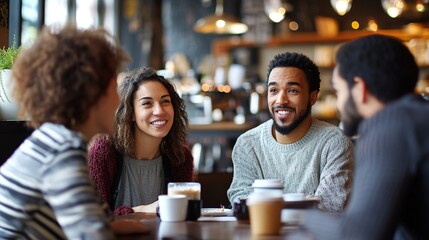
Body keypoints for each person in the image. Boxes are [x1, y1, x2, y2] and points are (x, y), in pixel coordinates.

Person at [0, 25, 148, 239]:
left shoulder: (53, 139)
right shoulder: (63, 148)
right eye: (114, 87)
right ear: (93, 94)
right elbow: (90, 235)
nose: (121, 101)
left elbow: (93, 216)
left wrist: (113, 226)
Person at [300, 34, 429, 239]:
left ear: (360, 89)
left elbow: (357, 234)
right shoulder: (418, 115)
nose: (339, 104)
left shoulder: (391, 125)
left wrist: (293, 214)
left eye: (338, 91)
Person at [227, 52, 354, 213]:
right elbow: (242, 199)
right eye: (273, 90)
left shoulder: (335, 143)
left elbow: (329, 207)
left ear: (313, 97)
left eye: (292, 91)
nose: (280, 100)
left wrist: (268, 206)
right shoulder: (248, 143)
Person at [88, 67, 195, 216]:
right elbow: (94, 218)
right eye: (147, 103)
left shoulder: (180, 157)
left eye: (165, 101)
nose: (159, 111)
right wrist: (142, 210)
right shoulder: (103, 153)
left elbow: (183, 214)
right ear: (130, 113)